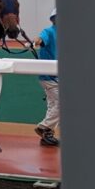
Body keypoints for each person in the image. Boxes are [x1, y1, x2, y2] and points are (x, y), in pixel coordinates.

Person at [33, 8, 59, 147]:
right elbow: (41, 39)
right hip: (48, 77)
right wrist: (36, 41)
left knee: (53, 104)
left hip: (57, 77)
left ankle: (47, 135)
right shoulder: (49, 31)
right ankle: (43, 127)